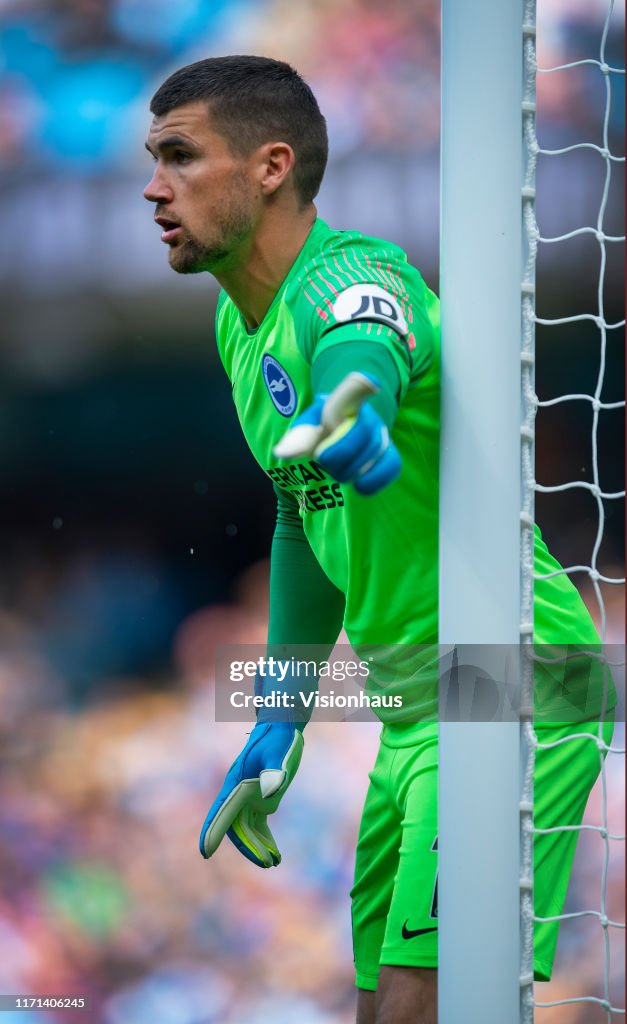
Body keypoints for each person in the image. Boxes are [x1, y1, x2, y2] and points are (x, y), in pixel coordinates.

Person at [144, 55, 615, 1024]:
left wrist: (355, 403)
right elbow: (296, 511)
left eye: (181, 157)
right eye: (153, 160)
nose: (154, 187)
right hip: (414, 704)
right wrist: (282, 713)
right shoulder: (242, 330)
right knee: (379, 1008)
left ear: (271, 165)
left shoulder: (352, 271)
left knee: (426, 1004)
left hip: (514, 679)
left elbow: (369, 338)